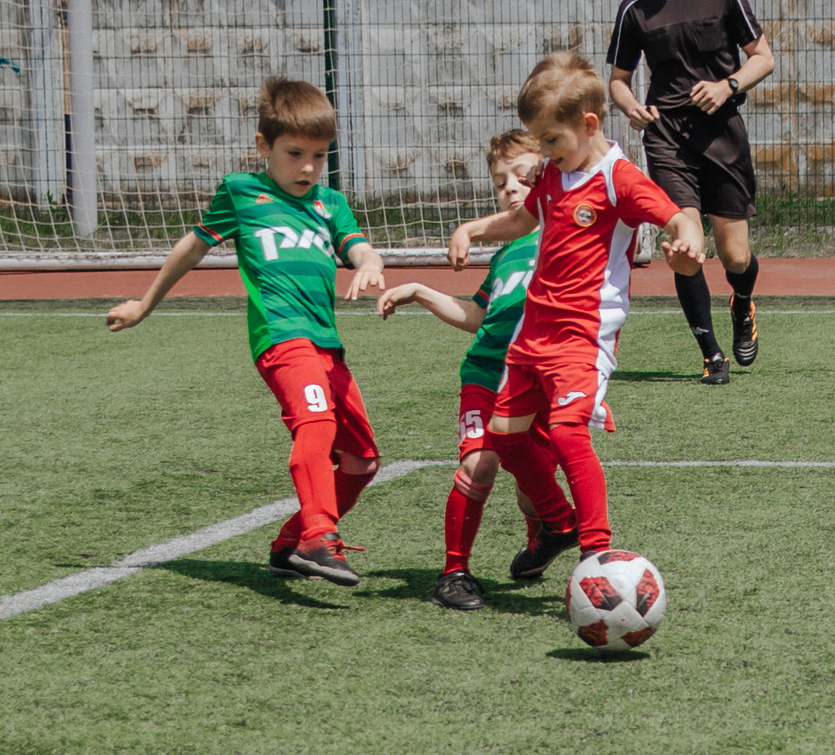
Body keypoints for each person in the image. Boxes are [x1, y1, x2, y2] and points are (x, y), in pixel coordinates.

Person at [106, 77, 387, 586]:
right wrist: (145, 304)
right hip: (281, 338)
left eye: (320, 156)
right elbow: (192, 247)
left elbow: (360, 246)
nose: (307, 167)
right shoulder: (242, 193)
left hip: (327, 345)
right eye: (295, 153)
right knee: (316, 424)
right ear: (264, 146)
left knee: (363, 461)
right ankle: (319, 537)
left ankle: (289, 545)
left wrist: (372, 263)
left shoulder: (330, 204)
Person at [451, 52, 704, 563]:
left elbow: (679, 219)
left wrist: (689, 247)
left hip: (582, 336)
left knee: (566, 433)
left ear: (589, 125)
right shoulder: (553, 174)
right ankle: (559, 522)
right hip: (531, 333)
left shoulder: (618, 178)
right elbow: (524, 221)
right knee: (505, 435)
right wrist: (473, 229)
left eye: (551, 140)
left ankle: (598, 553)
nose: (544, 152)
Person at [373, 128, 572, 611]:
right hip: (486, 375)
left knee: (533, 490)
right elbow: (480, 318)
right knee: (479, 462)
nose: (509, 188)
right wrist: (419, 290)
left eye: (521, 177)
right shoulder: (505, 254)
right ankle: (453, 571)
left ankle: (542, 539)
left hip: (540, 378)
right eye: (500, 182)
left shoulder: (568, 236)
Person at [607, 0, 777, 384]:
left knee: (736, 257)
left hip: (722, 134)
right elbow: (618, 79)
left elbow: (763, 57)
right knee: (685, 246)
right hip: (666, 140)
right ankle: (711, 355)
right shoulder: (635, 9)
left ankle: (741, 303)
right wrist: (629, 106)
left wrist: (728, 86)